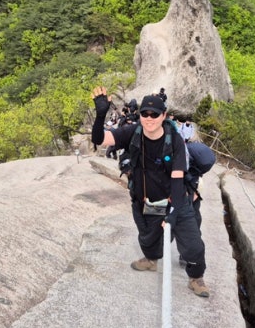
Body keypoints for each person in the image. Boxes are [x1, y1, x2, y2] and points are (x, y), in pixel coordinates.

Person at [90, 86, 210, 297]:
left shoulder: (174, 141)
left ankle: (196, 278)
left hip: (175, 198)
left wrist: (173, 212)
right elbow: (100, 139)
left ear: (164, 115)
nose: (149, 118)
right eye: (145, 113)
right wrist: (100, 116)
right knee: (148, 239)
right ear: (140, 115)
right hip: (148, 200)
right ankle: (151, 260)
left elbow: (177, 179)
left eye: (155, 114)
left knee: (193, 245)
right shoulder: (132, 132)